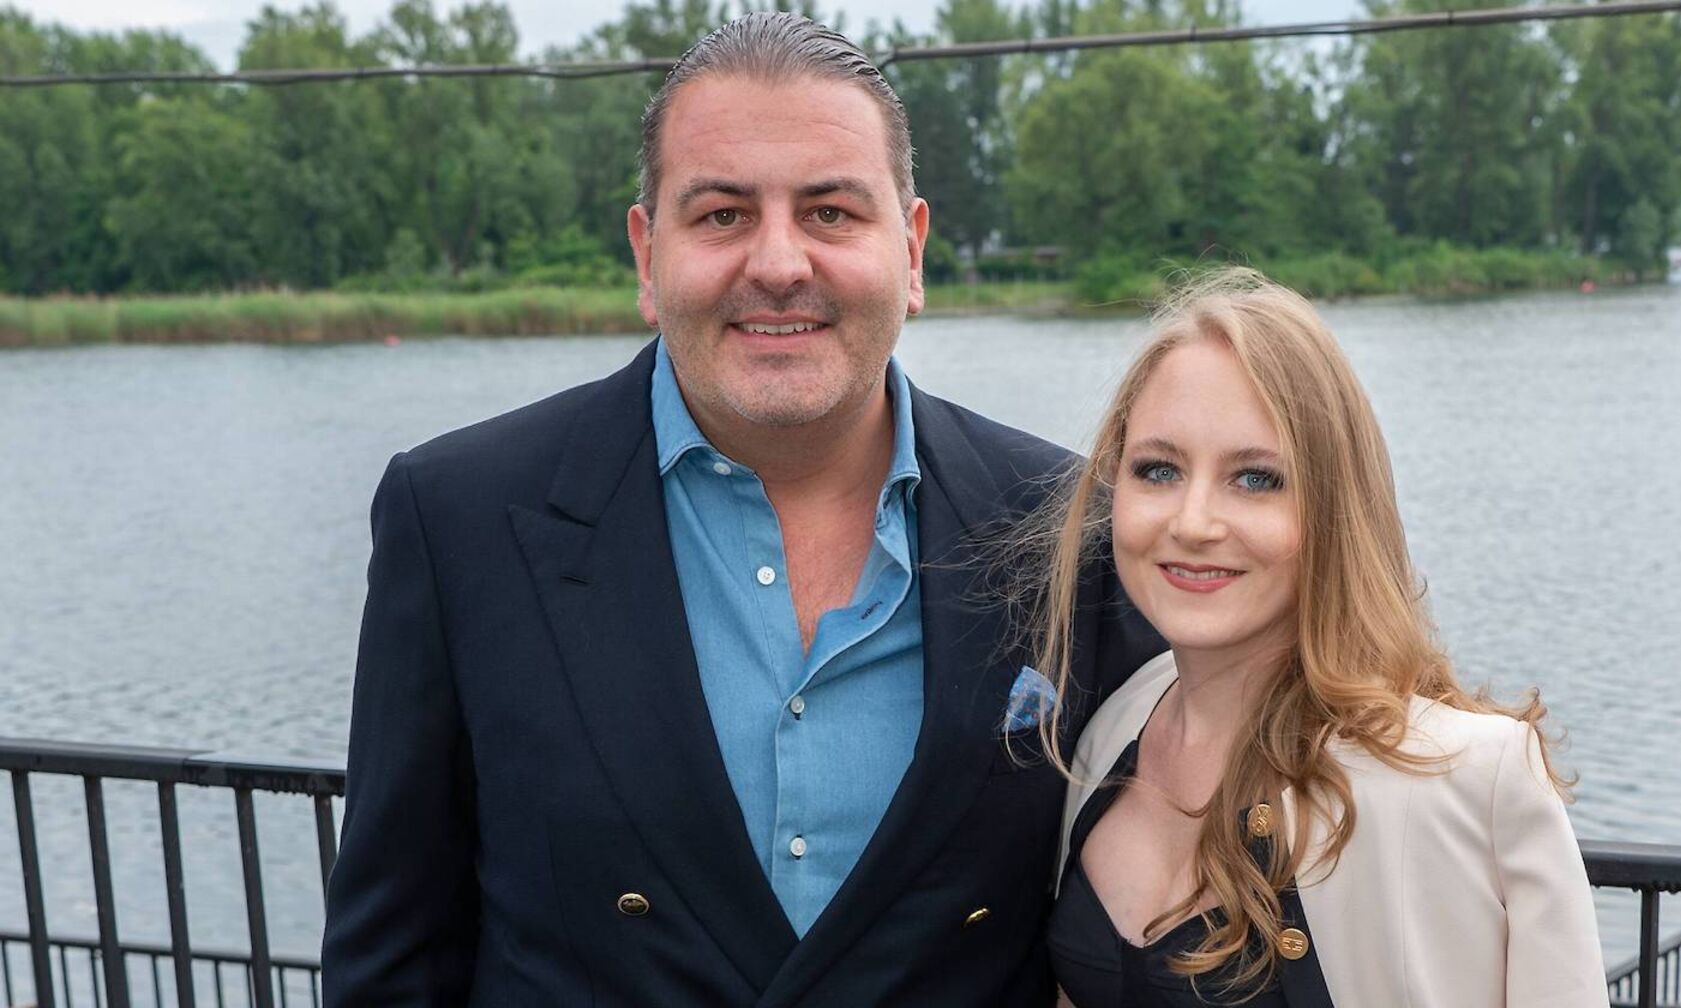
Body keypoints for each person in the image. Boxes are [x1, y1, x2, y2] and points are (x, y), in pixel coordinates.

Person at [319, 13, 1160, 1006]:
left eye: (830, 212)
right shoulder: (458, 518)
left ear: (913, 247)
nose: (777, 262)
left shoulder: (1069, 529)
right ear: (646, 254)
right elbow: (391, 961)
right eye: (721, 213)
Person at [1027, 268, 1608, 1006]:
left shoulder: (1464, 783)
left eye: (1256, 479)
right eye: (1159, 469)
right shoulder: (1107, 731)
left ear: (1337, 508)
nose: (1194, 521)